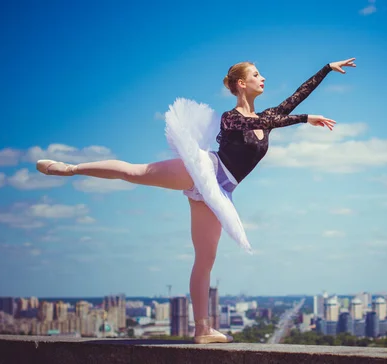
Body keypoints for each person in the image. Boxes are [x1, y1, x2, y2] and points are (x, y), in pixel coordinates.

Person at [35, 57, 357, 343]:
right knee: (135, 172)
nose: (264, 79)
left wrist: (327, 69)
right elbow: (258, 122)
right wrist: (304, 119)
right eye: (257, 74)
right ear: (241, 84)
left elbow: (295, 97)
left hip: (220, 191)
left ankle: (202, 329)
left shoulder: (270, 117)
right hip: (204, 170)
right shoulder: (232, 118)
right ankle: (70, 168)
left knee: (205, 261)